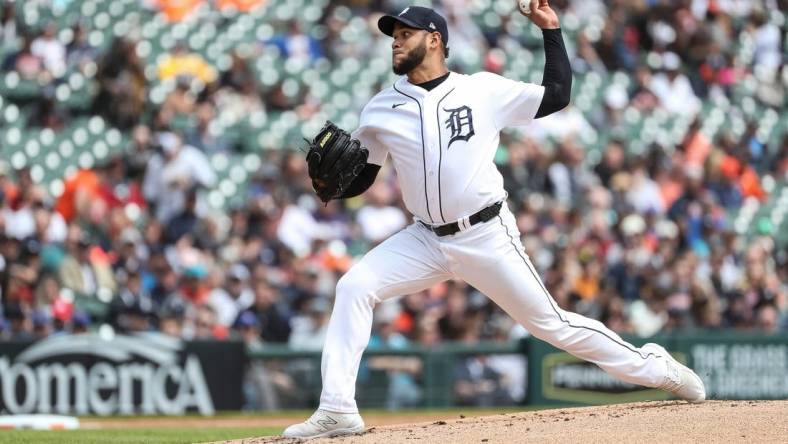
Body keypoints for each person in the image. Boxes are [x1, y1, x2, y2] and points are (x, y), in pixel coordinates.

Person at [283, 2, 705, 439]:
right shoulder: (380, 108)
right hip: (425, 239)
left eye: (406, 33)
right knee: (353, 286)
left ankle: (657, 368)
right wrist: (327, 186)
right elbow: (362, 177)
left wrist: (551, 31)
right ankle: (337, 409)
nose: (396, 40)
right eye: (393, 34)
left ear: (435, 40)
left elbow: (556, 95)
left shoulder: (481, 90)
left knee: (552, 325)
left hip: (485, 234)